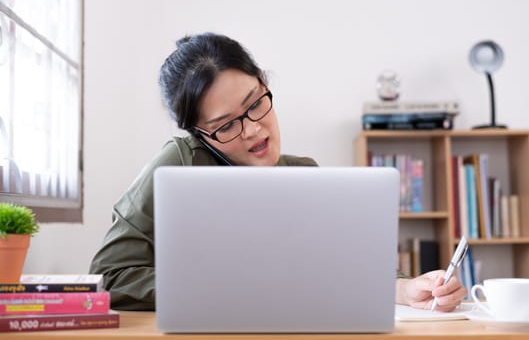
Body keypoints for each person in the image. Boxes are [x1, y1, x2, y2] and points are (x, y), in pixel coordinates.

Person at [89, 32, 467, 312]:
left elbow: (348, 267)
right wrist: (217, 287)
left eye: (255, 104)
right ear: (200, 135)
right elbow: (111, 276)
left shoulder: (304, 174)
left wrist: (406, 289)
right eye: (224, 126)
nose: (253, 129)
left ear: (264, 84)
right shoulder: (177, 163)